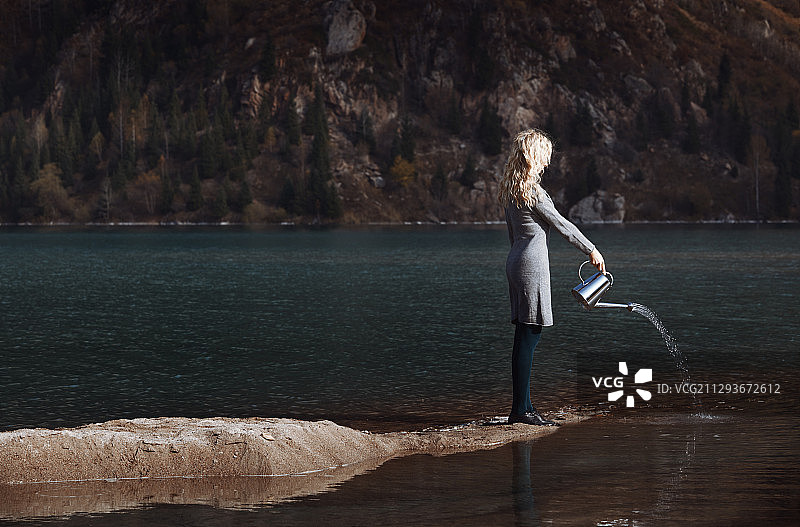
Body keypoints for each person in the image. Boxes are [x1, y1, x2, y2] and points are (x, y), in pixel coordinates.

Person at [498, 129, 605, 426]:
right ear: (533, 156)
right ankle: (521, 411)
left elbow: (512, 234)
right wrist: (592, 250)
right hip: (531, 266)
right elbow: (562, 225)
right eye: (544, 156)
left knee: (524, 334)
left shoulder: (512, 189)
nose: (546, 163)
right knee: (530, 336)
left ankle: (524, 406)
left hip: (515, 261)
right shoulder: (534, 192)